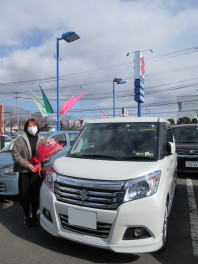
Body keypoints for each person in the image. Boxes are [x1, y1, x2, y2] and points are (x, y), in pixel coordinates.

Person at [12, 118, 46, 228]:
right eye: (30, 126)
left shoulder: (42, 140)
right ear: (26, 127)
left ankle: (34, 215)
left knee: (36, 195)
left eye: (34, 125)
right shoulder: (20, 140)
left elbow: (46, 155)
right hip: (25, 172)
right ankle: (26, 216)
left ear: (38, 127)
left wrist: (46, 159)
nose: (32, 128)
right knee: (25, 195)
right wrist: (27, 164)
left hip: (37, 173)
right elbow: (16, 155)